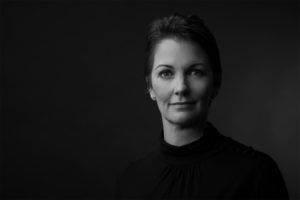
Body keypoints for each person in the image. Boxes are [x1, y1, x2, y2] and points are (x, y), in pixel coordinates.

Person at [115, 13, 289, 200]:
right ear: (150, 87)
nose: (181, 87)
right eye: (166, 73)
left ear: (216, 83)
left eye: (195, 72)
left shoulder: (256, 174)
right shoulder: (131, 181)